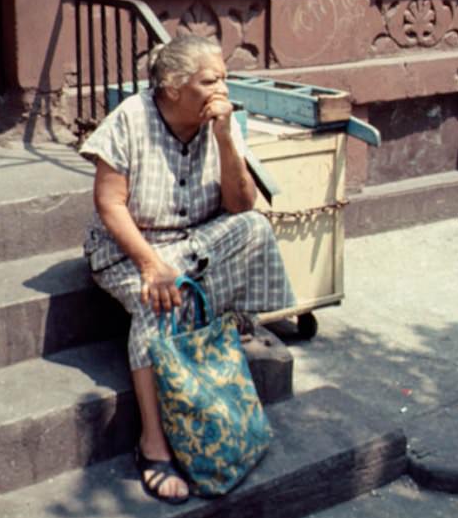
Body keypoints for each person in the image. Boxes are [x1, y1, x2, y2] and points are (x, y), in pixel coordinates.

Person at [78, 34, 295, 504]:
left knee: (254, 227)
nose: (222, 90)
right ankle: (152, 444)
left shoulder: (220, 122)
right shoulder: (131, 119)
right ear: (174, 87)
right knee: (161, 300)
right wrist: (151, 263)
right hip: (131, 249)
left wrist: (224, 140)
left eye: (224, 78)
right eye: (210, 80)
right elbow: (109, 204)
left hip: (193, 241)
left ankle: (224, 321)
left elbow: (240, 204)